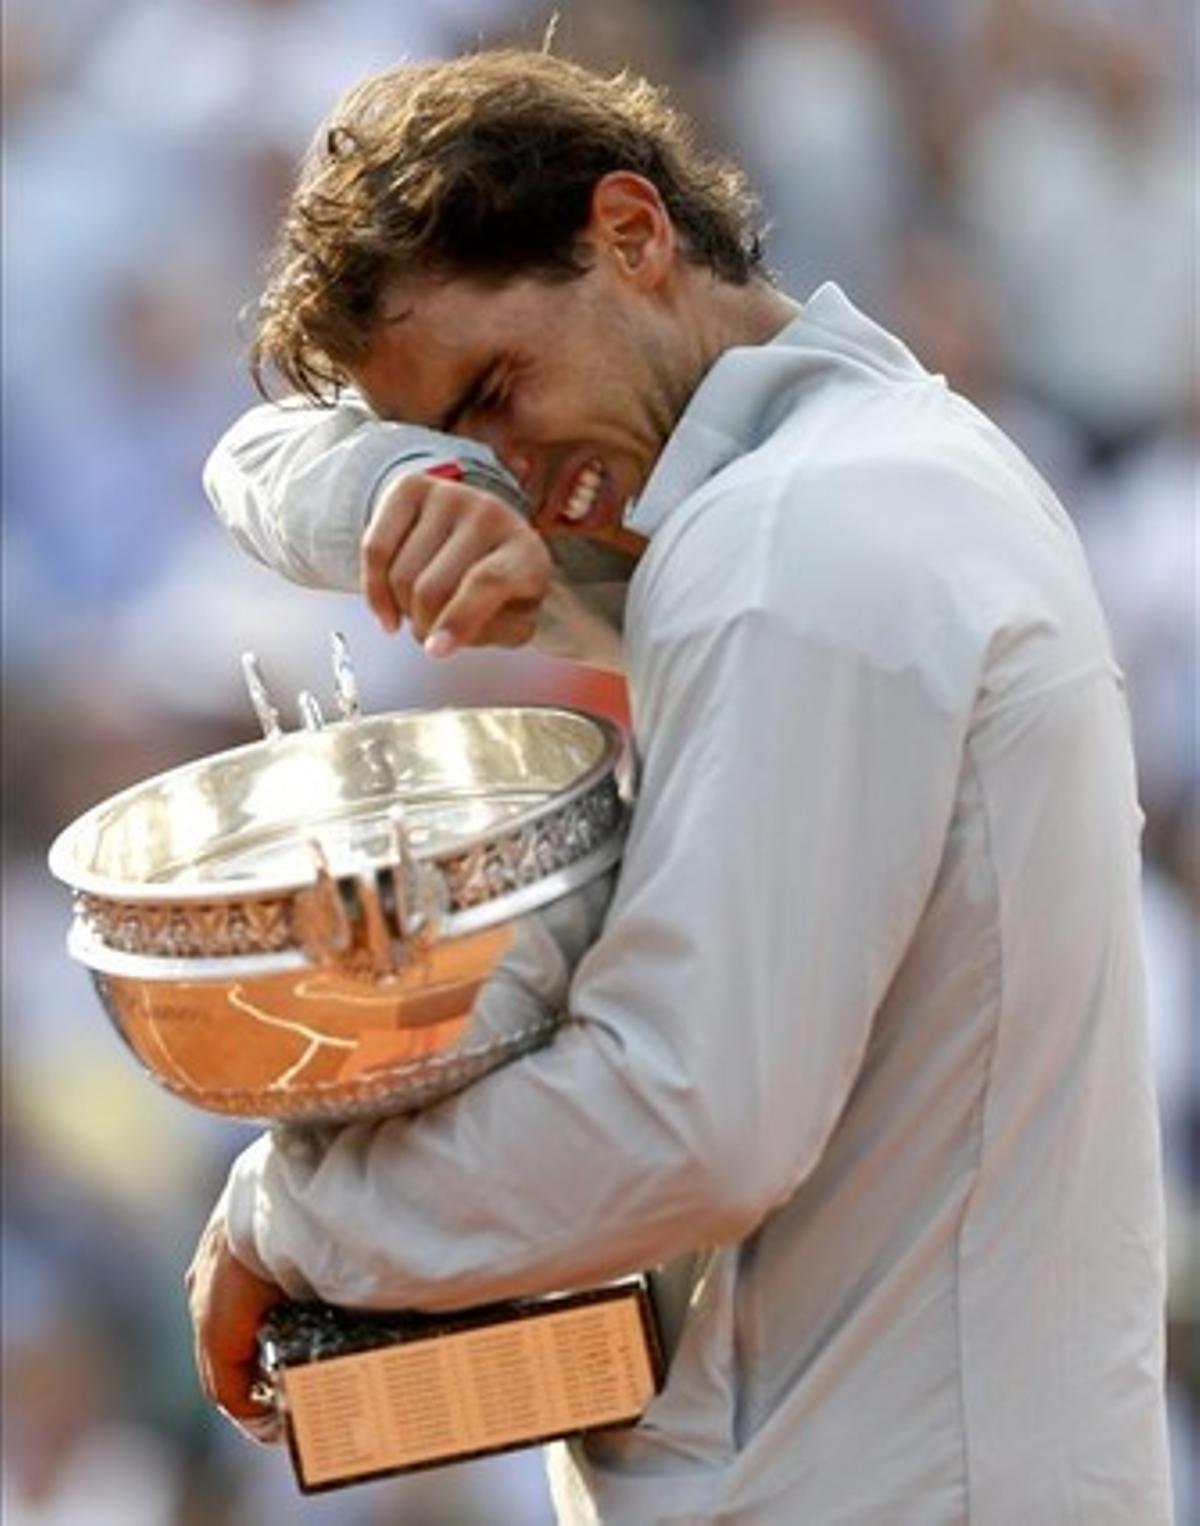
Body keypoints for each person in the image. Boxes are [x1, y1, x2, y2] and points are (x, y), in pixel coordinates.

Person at [187, 49, 1172, 1523]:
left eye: (496, 393)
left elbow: (688, 1119)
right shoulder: (856, 461)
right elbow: (256, 459)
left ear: (633, 234)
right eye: (450, 436)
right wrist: (407, 487)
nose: (506, 473)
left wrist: (297, 1211)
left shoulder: (783, 542)